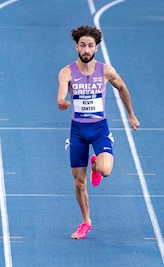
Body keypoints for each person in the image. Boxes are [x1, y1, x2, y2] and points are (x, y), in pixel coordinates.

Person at [56, 25, 139, 240]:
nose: (86, 49)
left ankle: (95, 164)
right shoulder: (66, 72)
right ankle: (86, 222)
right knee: (79, 183)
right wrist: (62, 101)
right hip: (78, 132)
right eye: (82, 45)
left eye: (90, 45)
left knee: (105, 171)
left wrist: (131, 114)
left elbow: (122, 87)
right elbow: (61, 92)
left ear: (96, 48)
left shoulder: (105, 70)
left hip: (100, 129)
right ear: (77, 47)